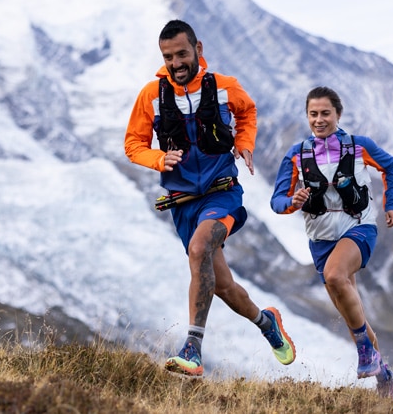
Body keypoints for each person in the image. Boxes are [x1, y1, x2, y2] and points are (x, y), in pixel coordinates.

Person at [124, 19, 295, 377]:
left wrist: (244, 144)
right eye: (168, 57)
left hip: (222, 193)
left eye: (181, 54)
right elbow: (133, 145)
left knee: (200, 248)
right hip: (182, 204)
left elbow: (247, 112)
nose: (176, 63)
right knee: (223, 286)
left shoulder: (225, 87)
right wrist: (158, 158)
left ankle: (192, 349)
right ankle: (268, 323)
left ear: (198, 49)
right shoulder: (151, 95)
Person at [270, 86, 393, 398]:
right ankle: (386, 377)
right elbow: (277, 201)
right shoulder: (296, 154)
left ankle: (367, 355)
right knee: (351, 312)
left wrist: (392, 205)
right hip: (320, 238)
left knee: (334, 275)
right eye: (313, 114)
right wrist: (293, 201)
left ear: (338, 114)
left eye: (325, 113)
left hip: (358, 227)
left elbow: (390, 167)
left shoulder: (359, 146)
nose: (319, 120)